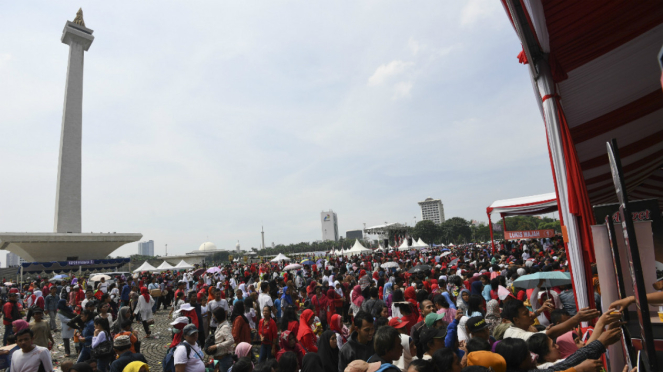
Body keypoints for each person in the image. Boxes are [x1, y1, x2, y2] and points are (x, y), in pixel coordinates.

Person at [501, 300, 599, 341]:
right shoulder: (518, 336)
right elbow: (550, 333)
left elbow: (531, 317)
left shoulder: (516, 326)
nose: (530, 315)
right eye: (526, 314)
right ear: (516, 320)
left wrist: (540, 310)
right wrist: (577, 318)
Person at [207, 307, 234, 372]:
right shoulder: (220, 325)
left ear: (218, 317)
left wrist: (216, 346)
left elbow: (231, 340)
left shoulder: (225, 327)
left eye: (214, 317)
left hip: (224, 359)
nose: (213, 318)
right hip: (217, 358)